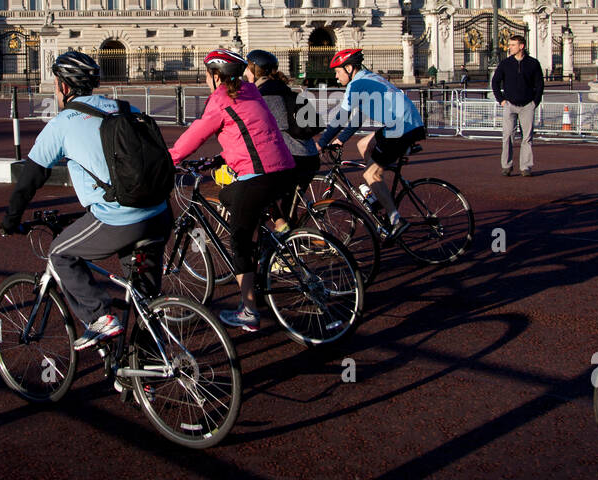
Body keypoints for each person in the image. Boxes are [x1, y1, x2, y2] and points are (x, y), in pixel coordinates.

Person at [0, 50, 172, 350]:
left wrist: (11, 219)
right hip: (158, 212)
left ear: (64, 86)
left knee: (59, 254)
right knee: (145, 298)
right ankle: (146, 372)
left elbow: (30, 178)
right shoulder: (125, 108)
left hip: (119, 218)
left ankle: (99, 317)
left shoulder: (63, 123)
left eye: (57, 83)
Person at [169, 48, 296, 331]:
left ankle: (248, 310)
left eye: (206, 74)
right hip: (283, 170)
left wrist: (168, 159)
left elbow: (196, 135)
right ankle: (265, 246)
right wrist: (222, 157)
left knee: (237, 241)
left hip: (259, 176)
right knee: (228, 195)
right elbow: (253, 133)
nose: (205, 79)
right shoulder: (250, 92)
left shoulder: (220, 99)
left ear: (216, 76)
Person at [316, 48, 425, 237]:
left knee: (370, 174)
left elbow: (343, 117)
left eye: (337, 71)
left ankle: (395, 219)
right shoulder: (368, 78)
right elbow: (361, 115)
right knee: (363, 145)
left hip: (400, 129)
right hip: (407, 126)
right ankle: (377, 192)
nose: (336, 76)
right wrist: (341, 139)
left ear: (349, 68)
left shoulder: (356, 84)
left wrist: (321, 143)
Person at [245, 48, 318, 231]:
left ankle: (283, 244)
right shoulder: (290, 93)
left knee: (256, 186)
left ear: (254, 71)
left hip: (291, 159)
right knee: (287, 210)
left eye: (246, 68)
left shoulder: (262, 97)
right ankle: (291, 240)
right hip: (310, 156)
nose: (244, 73)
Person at [490, 34, 544, 177]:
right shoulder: (505, 64)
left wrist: (535, 102)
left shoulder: (533, 63)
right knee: (507, 136)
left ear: (521, 46)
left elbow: (540, 85)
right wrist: (501, 100)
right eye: (510, 45)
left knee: (527, 138)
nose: (510, 47)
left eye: (513, 45)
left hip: (527, 106)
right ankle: (506, 165)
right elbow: (495, 82)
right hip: (510, 104)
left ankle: (525, 167)